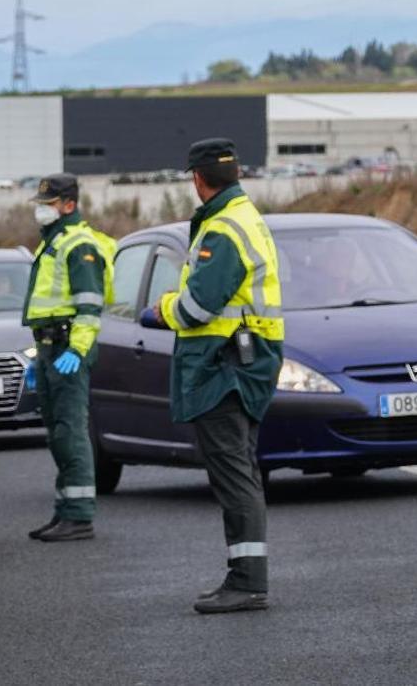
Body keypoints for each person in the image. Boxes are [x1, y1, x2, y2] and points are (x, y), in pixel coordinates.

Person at [141, 138, 285, 614]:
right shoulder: (244, 217)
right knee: (240, 472)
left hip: (225, 368)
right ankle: (246, 576)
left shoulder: (223, 228)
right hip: (244, 363)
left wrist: (161, 309)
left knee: (235, 476)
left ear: (197, 179)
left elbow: (197, 306)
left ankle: (247, 581)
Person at [21, 173, 116, 543]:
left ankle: (78, 515)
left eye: (48, 204)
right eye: (41, 204)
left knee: (71, 430)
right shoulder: (54, 241)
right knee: (58, 431)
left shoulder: (79, 245)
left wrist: (77, 350)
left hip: (66, 349)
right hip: (50, 348)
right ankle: (65, 511)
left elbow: (89, 308)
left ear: (69, 205)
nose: (41, 211)